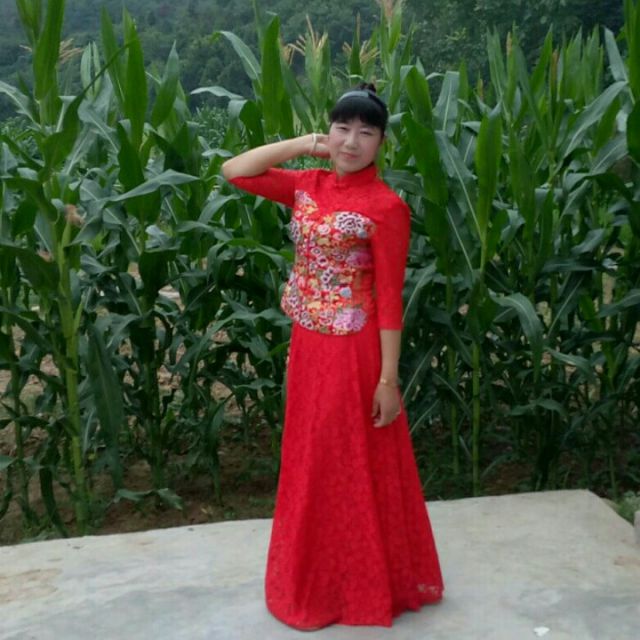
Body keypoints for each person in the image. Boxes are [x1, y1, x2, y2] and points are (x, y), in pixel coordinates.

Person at [222, 84, 444, 630]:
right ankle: (317, 577)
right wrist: (304, 145)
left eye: (366, 132)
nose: (351, 142)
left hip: (354, 352)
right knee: (311, 457)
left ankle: (356, 584)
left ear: (382, 142)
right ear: (329, 131)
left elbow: (389, 299)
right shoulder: (308, 185)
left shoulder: (387, 207)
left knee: (346, 459)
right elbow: (235, 171)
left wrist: (388, 379)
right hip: (308, 344)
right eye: (342, 128)